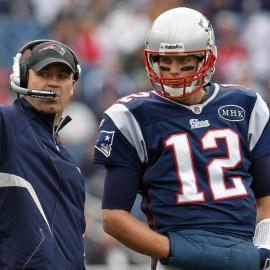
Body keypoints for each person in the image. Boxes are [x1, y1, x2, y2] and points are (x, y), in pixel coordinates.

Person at [93, 7, 270, 270]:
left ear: (207, 58)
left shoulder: (246, 104)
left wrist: (264, 248)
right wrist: (178, 250)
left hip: (242, 248)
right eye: (165, 62)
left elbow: (266, 198)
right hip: (177, 257)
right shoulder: (131, 115)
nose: (174, 71)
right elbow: (113, 216)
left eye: (184, 61)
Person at [2, 39, 86, 269]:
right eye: (44, 73)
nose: (53, 83)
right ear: (23, 78)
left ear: (72, 86)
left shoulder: (70, 161)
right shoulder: (7, 124)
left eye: (62, 77)